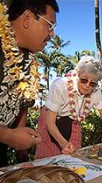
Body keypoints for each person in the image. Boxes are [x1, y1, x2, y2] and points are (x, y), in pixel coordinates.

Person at [0, 0, 59, 167]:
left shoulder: (29, 60)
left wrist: (22, 152)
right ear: (27, 18)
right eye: (50, 25)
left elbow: (22, 106)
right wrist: (7, 136)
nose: (52, 34)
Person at [35, 56, 102, 159]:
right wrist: (63, 144)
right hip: (51, 120)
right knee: (48, 159)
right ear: (77, 75)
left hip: (73, 121)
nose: (87, 85)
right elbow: (50, 123)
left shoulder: (95, 90)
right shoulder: (60, 86)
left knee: (75, 157)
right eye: (84, 80)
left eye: (92, 83)